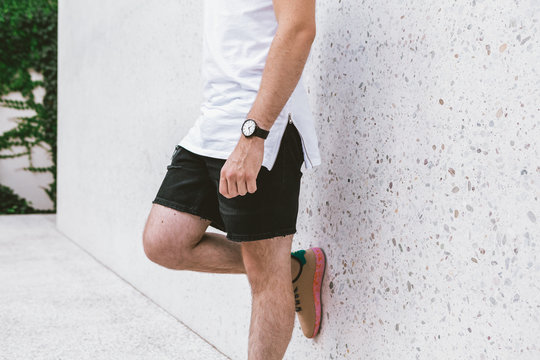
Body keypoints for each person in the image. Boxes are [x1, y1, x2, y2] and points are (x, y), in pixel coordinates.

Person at [142, 0, 326, 358]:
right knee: (164, 242)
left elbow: (299, 29)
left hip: (262, 129)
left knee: (264, 276)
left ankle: (280, 271)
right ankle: (291, 269)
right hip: (212, 123)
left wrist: (254, 135)